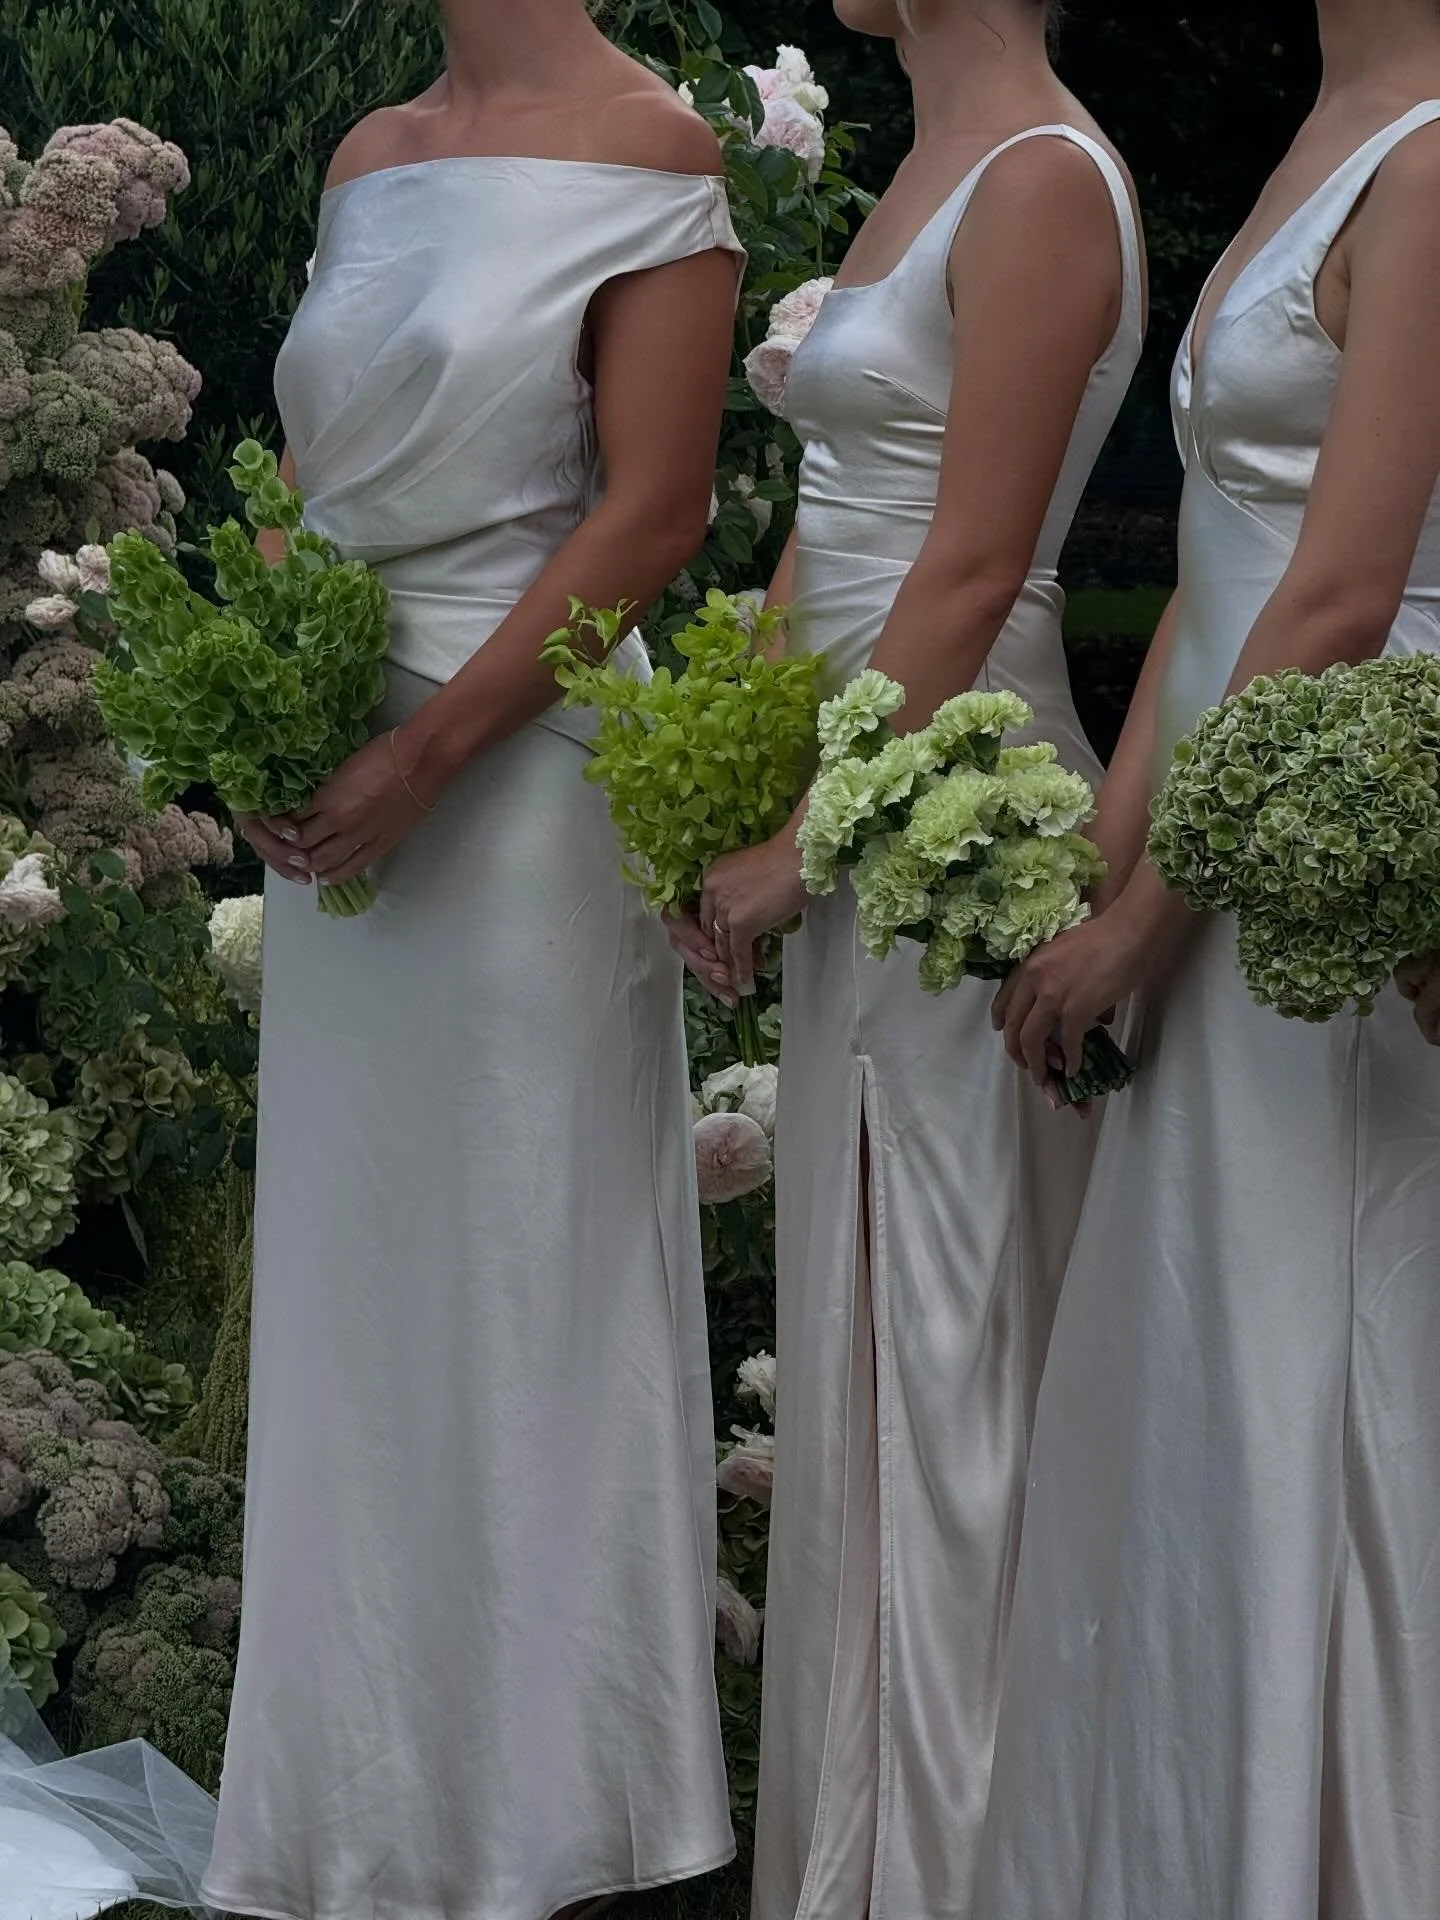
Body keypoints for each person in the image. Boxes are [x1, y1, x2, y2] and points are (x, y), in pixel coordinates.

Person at [199, 5, 744, 1918]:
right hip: (345, 775)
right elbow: (308, 482)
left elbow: (655, 511)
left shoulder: (656, 149)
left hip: (518, 785)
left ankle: (552, 1822)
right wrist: (276, 705)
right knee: (361, 1285)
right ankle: (356, 1812)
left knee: (527, 1276)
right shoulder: (370, 153)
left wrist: (425, 754)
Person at [669, 3, 1144, 1915]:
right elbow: (836, 531)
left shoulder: (1043, 179)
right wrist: (716, 776)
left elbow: (971, 563)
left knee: (956, 1345)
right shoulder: (932, 167)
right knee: (867, 1323)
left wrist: (806, 840)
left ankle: (965, 1860)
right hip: (859, 784)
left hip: (962, 809)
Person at [981, 2, 1440, 1913]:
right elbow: (1213, 569)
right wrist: (1094, 877)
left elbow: (1340, 592)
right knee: (1202, 1354)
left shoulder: (1434, 155)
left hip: (1344, 839)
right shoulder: (1328, 129)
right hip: (1230, 809)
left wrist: (1155, 916)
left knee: (1319, 1351)